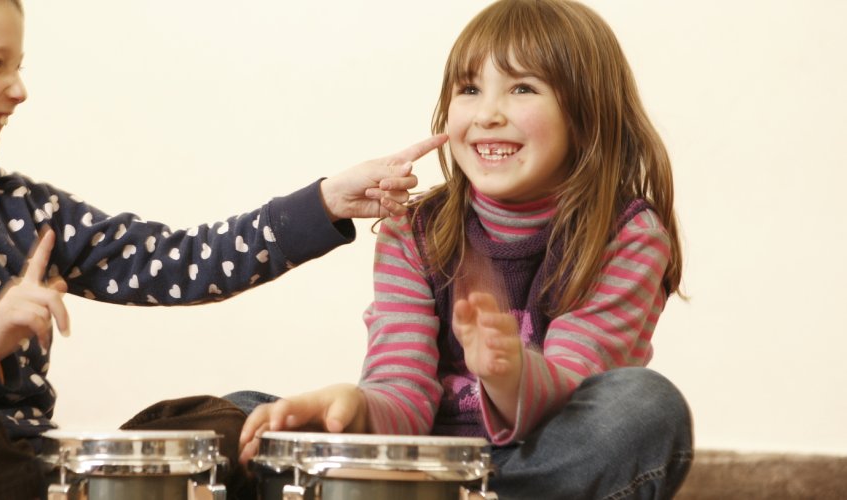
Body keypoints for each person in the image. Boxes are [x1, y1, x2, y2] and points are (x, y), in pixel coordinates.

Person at [0, 0, 446, 497]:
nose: (19, 89)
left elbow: (182, 261)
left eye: (19, 65)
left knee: (223, 417)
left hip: (30, 468)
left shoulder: (29, 209)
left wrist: (325, 201)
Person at [235, 0, 693, 498]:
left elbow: (571, 394)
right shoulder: (411, 230)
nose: (488, 114)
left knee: (647, 406)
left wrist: (509, 373)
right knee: (237, 413)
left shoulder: (627, 235)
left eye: (522, 88)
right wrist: (357, 407)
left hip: (536, 460)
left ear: (585, 114)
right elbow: (402, 393)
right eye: (470, 89)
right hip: (422, 462)